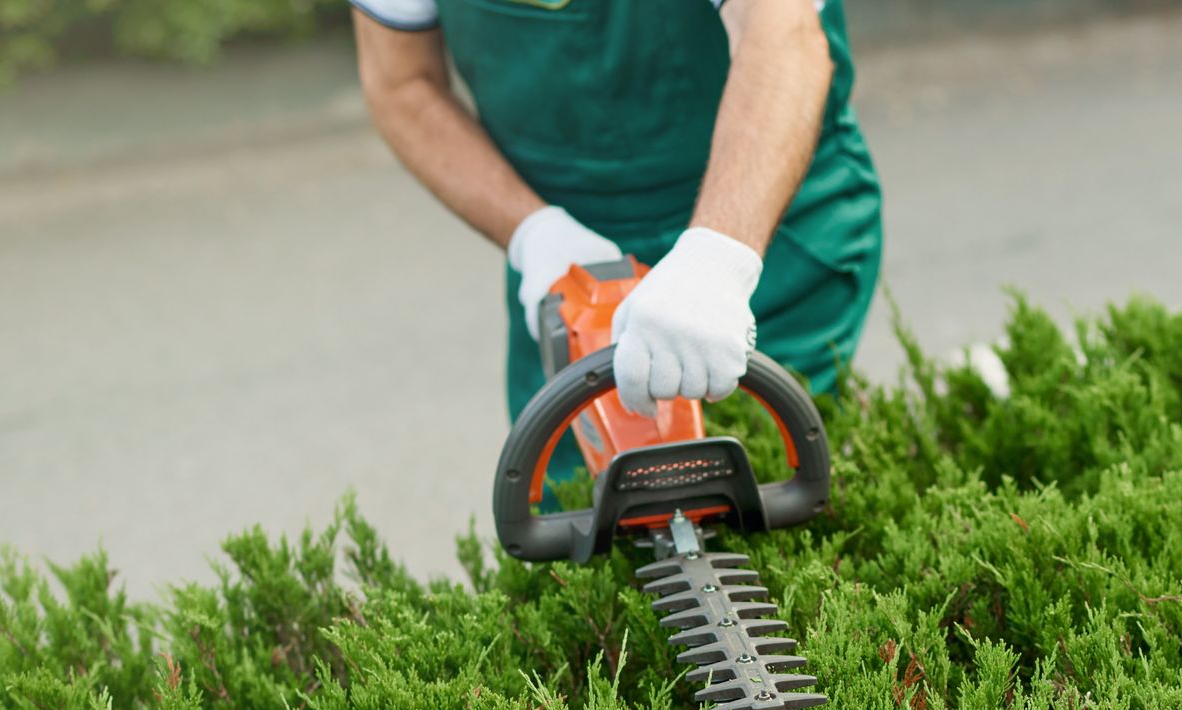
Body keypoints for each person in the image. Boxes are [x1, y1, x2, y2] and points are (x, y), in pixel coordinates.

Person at [350, 0, 884, 479]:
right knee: (578, 517)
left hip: (763, 220)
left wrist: (718, 258)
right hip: (567, 254)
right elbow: (402, 83)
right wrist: (533, 232)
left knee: (765, 486)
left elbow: (780, 32)